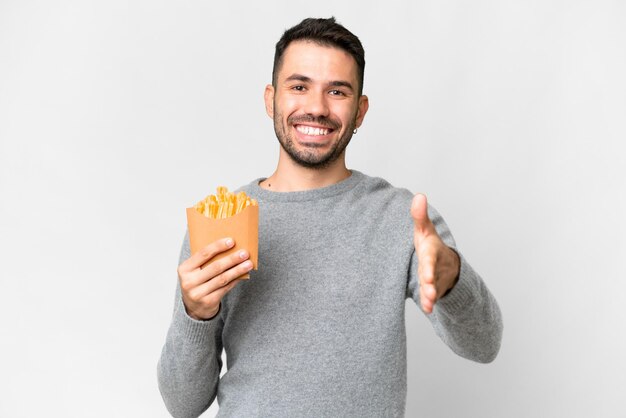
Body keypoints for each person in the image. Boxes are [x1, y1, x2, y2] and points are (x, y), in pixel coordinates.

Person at [158, 17, 502, 418]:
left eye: (337, 91)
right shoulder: (221, 220)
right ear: (271, 100)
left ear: (360, 111)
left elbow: (485, 344)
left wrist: (453, 282)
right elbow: (182, 405)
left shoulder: (403, 218)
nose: (316, 108)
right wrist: (196, 313)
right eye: (299, 86)